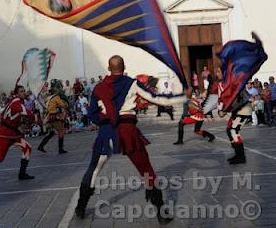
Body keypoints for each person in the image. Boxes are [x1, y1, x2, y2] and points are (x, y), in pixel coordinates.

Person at [75, 55, 186, 223]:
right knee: (146, 170)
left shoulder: (98, 88)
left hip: (106, 133)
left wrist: (106, 122)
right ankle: (161, 214)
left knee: (93, 170)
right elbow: (157, 99)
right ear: (124, 66)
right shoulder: (131, 83)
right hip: (127, 131)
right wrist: (183, 97)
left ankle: (81, 208)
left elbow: (91, 114)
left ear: (108, 67)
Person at [216, 67, 252, 164]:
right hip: (237, 110)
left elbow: (236, 98)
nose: (217, 73)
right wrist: (221, 109)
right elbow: (223, 99)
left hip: (243, 109)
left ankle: (241, 156)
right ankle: (237, 153)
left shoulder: (233, 82)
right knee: (229, 130)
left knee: (234, 130)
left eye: (219, 71)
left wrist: (224, 109)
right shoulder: (222, 84)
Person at [37, 80, 69, 154]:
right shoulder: (56, 97)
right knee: (61, 131)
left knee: (51, 132)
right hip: (53, 116)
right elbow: (64, 105)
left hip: (49, 116)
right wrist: (65, 102)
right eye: (59, 88)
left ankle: (41, 146)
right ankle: (60, 149)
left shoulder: (49, 97)